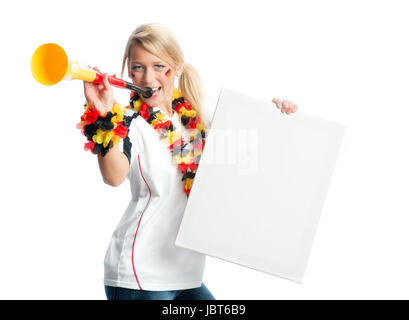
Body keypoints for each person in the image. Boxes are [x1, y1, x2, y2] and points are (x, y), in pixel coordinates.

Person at [80, 23, 298, 300]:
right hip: (140, 274)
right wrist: (103, 117)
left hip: (188, 273)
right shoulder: (126, 121)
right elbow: (113, 177)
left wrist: (281, 114)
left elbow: (253, 139)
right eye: (138, 67)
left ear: (178, 68)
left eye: (159, 66)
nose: (148, 78)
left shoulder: (200, 110)